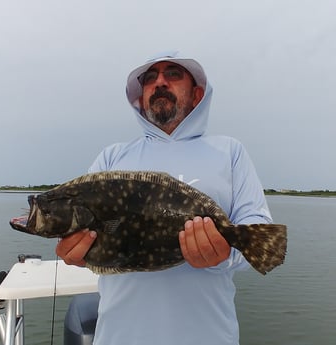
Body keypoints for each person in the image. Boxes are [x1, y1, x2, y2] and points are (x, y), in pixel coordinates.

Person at [56, 51, 273, 345]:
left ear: (197, 94)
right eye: (149, 78)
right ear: (140, 96)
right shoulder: (112, 157)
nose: (160, 82)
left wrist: (224, 254)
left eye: (172, 74)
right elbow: (89, 230)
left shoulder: (230, 152)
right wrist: (78, 253)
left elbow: (259, 234)